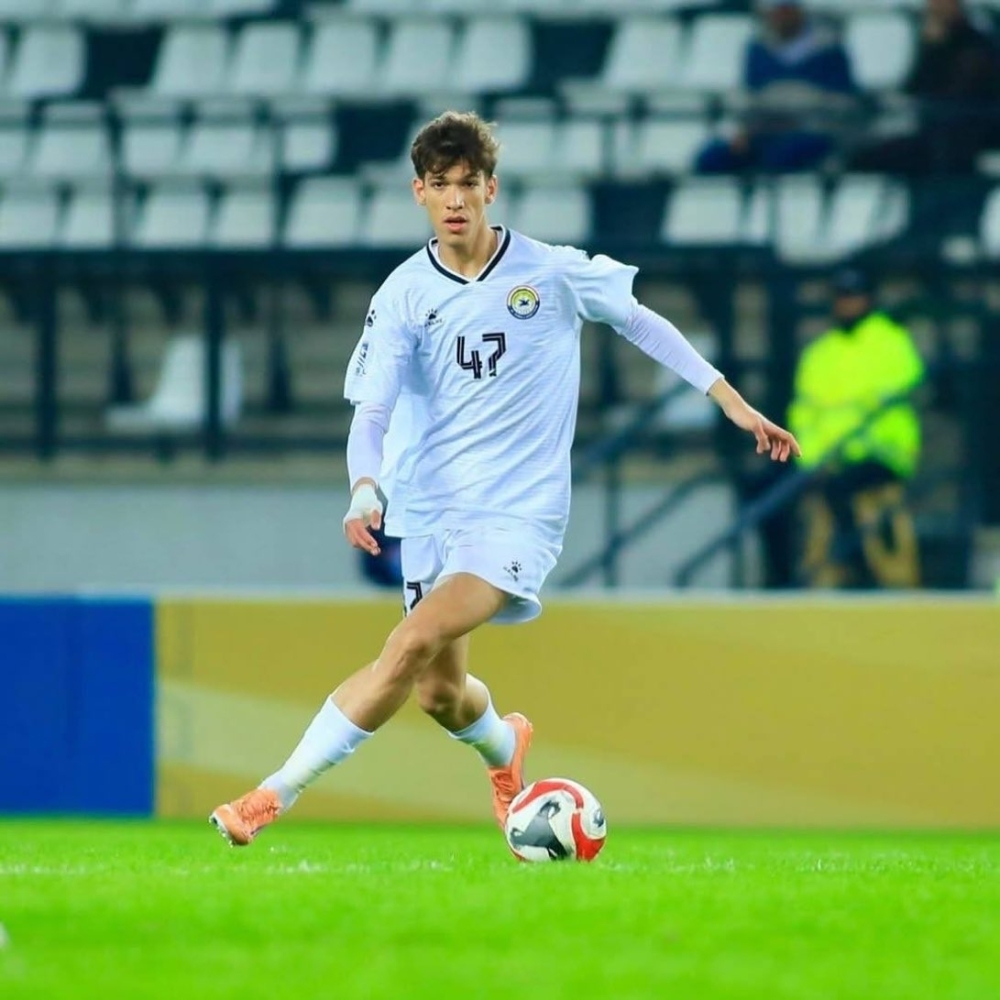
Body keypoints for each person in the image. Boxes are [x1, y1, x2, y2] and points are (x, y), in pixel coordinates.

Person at [209, 111, 800, 847]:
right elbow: (374, 410)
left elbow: (639, 320)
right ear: (419, 192)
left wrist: (731, 401)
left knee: (407, 643)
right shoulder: (403, 294)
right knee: (438, 692)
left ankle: (271, 795)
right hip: (430, 510)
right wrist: (364, 486)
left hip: (517, 515)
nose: (455, 199)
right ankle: (504, 745)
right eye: (440, 185)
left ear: (491, 188)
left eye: (469, 183)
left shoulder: (549, 271)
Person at [788, 268, 924, 589]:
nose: (847, 304)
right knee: (767, 485)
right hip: (828, 458)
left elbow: (897, 392)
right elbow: (803, 413)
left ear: (868, 299)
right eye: (841, 297)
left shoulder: (891, 341)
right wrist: (810, 459)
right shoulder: (819, 353)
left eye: (853, 296)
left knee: (840, 489)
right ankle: (793, 574)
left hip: (883, 454)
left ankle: (860, 568)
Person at [696, 0, 856, 175]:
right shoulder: (757, 49)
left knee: (781, 156)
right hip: (764, 129)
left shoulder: (830, 50)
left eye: (786, 10)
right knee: (714, 157)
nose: (780, 17)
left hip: (811, 129)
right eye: (776, 11)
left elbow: (842, 104)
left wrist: (801, 113)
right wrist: (743, 130)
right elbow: (749, 96)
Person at [848, 0, 1000, 175]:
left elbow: (954, 94)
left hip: (960, 134)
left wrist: (935, 50)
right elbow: (915, 87)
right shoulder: (936, 43)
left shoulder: (975, 47)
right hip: (933, 130)